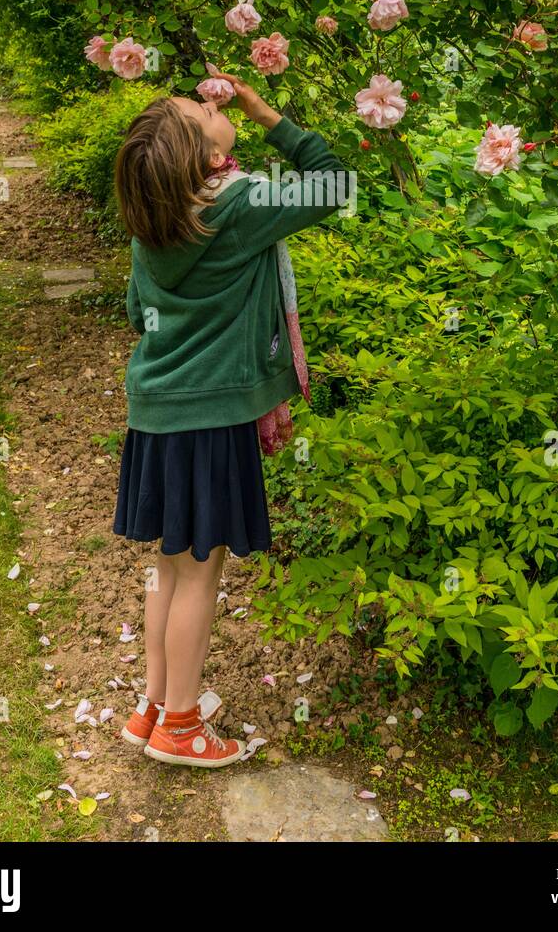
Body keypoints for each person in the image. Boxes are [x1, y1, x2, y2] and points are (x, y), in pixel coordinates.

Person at [112, 70, 352, 768]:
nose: (209, 101)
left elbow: (137, 313)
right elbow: (335, 181)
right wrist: (265, 111)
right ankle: (182, 727)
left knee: (169, 565)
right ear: (215, 158)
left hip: (157, 413)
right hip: (209, 417)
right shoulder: (237, 204)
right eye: (200, 110)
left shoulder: (155, 214)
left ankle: (154, 705)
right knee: (198, 573)